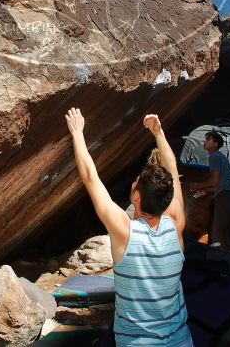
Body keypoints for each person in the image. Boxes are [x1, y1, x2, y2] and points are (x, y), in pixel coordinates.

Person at [65, 108, 192, 347]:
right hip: (180, 340)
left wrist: (77, 133)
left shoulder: (125, 232)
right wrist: (158, 132)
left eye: (136, 184)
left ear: (136, 198)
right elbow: (172, 170)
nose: (134, 182)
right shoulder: (176, 224)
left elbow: (90, 178)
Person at [188, 131, 230, 254]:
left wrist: (198, 185)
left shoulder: (214, 157)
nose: (205, 141)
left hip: (226, 197)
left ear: (216, 144)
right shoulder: (220, 157)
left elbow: (214, 180)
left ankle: (221, 261)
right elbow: (221, 183)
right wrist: (205, 190)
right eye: (205, 139)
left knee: (217, 232)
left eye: (209, 139)